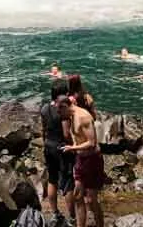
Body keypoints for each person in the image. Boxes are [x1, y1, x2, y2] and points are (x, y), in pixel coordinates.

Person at [57, 94, 105, 227]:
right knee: (77, 196)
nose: (59, 115)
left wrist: (73, 147)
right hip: (80, 159)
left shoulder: (83, 117)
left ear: (65, 107)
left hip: (92, 160)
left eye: (59, 111)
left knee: (91, 200)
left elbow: (92, 142)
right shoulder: (71, 113)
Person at [41, 79, 75, 225]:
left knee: (52, 179)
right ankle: (73, 217)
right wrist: (73, 147)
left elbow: (43, 129)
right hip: (61, 148)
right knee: (68, 183)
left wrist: (46, 143)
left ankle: (55, 213)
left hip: (48, 145)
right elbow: (67, 134)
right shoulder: (63, 109)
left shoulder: (44, 108)